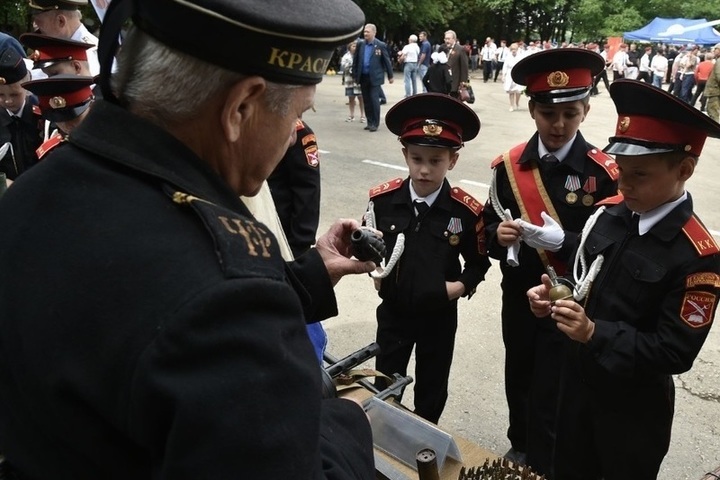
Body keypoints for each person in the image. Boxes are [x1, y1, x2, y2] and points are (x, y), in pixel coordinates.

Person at [0, 0, 377, 478]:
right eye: (298, 114)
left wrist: (309, 276)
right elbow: (197, 302)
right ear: (240, 107)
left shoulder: (33, 194)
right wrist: (346, 425)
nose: (290, 139)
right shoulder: (226, 298)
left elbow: (141, 302)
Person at [527, 79, 720, 480]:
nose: (623, 184)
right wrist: (555, 289)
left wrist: (595, 333)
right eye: (621, 171)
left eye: (640, 175)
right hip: (577, 386)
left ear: (684, 170)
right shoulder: (612, 213)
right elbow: (586, 271)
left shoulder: (696, 256)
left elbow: (674, 351)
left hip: (632, 411)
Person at [482, 48, 619, 472]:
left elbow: (613, 246)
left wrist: (566, 241)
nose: (558, 125)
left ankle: (551, 454)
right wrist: (497, 236)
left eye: (571, 114)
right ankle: (519, 442)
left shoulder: (603, 172)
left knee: (560, 382)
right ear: (532, 110)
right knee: (519, 369)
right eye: (547, 113)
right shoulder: (508, 166)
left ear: (586, 110)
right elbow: (486, 226)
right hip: (520, 294)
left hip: (573, 301)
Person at [365, 93, 491, 424]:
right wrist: (374, 271)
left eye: (435, 161)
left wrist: (456, 288)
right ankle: (383, 441)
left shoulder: (466, 212)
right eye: (417, 158)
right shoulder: (383, 201)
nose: (424, 170)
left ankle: (424, 445)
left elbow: (479, 264)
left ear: (452, 160)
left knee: (432, 386)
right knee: (386, 381)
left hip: (438, 315)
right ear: (405, 154)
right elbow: (370, 246)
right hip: (393, 311)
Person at [21, 74, 94, 159]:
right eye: (58, 120)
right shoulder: (54, 149)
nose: (66, 126)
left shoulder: (109, 138)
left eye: (73, 118)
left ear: (91, 106)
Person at [0, 47, 43, 181]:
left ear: (27, 86)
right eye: (0, 94)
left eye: (15, 94)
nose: (7, 100)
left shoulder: (44, 117)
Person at [28, 0, 100, 76]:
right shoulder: (60, 47)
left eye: (40, 23)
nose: (35, 27)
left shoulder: (93, 56)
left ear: (60, 21)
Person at [353, 23, 394, 133]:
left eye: (368, 32)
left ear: (374, 33)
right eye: (365, 31)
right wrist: (355, 75)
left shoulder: (380, 45)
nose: (365, 33)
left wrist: (390, 75)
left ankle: (375, 123)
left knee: (374, 100)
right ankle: (369, 122)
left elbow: (386, 61)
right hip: (363, 77)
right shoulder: (360, 44)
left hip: (375, 78)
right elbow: (356, 61)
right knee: (366, 101)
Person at [20, 32, 94, 77]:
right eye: (48, 76)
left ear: (76, 67)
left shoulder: (103, 99)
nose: (49, 81)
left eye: (55, 74)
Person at [340, 41, 365, 123]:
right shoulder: (346, 56)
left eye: (356, 46)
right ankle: (351, 115)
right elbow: (343, 66)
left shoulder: (361, 55)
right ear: (349, 47)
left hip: (358, 80)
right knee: (351, 98)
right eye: (353, 46)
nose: (355, 48)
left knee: (361, 98)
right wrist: (352, 64)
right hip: (349, 80)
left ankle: (363, 116)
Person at [445, 30, 469, 99]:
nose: (447, 41)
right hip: (447, 83)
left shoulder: (460, 49)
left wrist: (463, 83)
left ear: (454, 39)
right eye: (445, 39)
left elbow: (464, 67)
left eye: (448, 39)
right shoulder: (445, 48)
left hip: (455, 84)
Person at [502, 42, 524, 111]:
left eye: (515, 49)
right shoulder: (508, 57)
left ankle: (517, 102)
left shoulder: (520, 56)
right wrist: (503, 75)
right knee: (511, 91)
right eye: (512, 49)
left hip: (518, 73)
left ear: (517, 49)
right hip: (510, 74)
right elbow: (505, 66)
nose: (513, 50)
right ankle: (511, 105)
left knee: (518, 91)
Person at [705, 43, 720, 122]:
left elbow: (719, 75)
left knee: (712, 110)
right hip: (716, 90)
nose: (714, 51)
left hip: (715, 91)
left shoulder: (719, 61)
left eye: (716, 49)